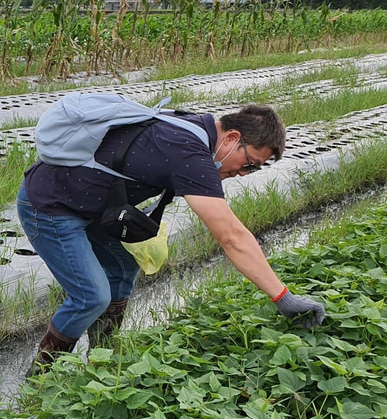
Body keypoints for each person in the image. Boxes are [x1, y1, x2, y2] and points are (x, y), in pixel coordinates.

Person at [17, 101, 326, 374]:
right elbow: (232, 236)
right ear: (232, 138)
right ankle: (41, 377)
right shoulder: (188, 152)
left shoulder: (194, 128)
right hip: (49, 206)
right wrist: (282, 297)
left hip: (89, 205)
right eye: (248, 164)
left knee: (123, 269)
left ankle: (102, 362)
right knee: (91, 296)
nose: (244, 173)